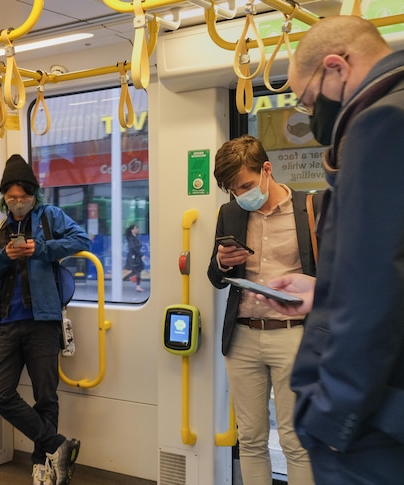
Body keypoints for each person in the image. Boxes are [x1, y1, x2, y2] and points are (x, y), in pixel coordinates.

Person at [256, 15, 404, 484]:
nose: (310, 114)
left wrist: (332, 416)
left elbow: (374, 290)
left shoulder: (379, 122)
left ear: (337, 68)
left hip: (370, 418)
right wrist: (325, 291)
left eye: (307, 100)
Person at [206, 135, 318, 485]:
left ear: (267, 170)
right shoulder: (230, 213)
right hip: (242, 336)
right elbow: (215, 277)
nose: (241, 195)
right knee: (250, 438)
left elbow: (334, 274)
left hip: (294, 334)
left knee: (296, 440)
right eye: (233, 190)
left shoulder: (311, 208)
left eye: (246, 185)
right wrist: (222, 263)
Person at [0, 154, 91, 485]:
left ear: (34, 195)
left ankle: (44, 466)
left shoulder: (50, 216)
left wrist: (39, 249)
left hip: (43, 321)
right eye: (11, 198)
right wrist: (6, 255)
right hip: (5, 322)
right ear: (4, 197)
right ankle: (57, 445)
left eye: (23, 197)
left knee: (46, 395)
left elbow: (81, 240)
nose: (17, 203)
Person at [122, 224, 146, 292]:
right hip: (134, 257)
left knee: (137, 270)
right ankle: (123, 280)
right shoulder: (131, 238)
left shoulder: (135, 237)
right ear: (132, 230)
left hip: (136, 257)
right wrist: (141, 255)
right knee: (137, 270)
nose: (137, 230)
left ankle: (137, 286)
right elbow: (133, 248)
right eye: (136, 228)